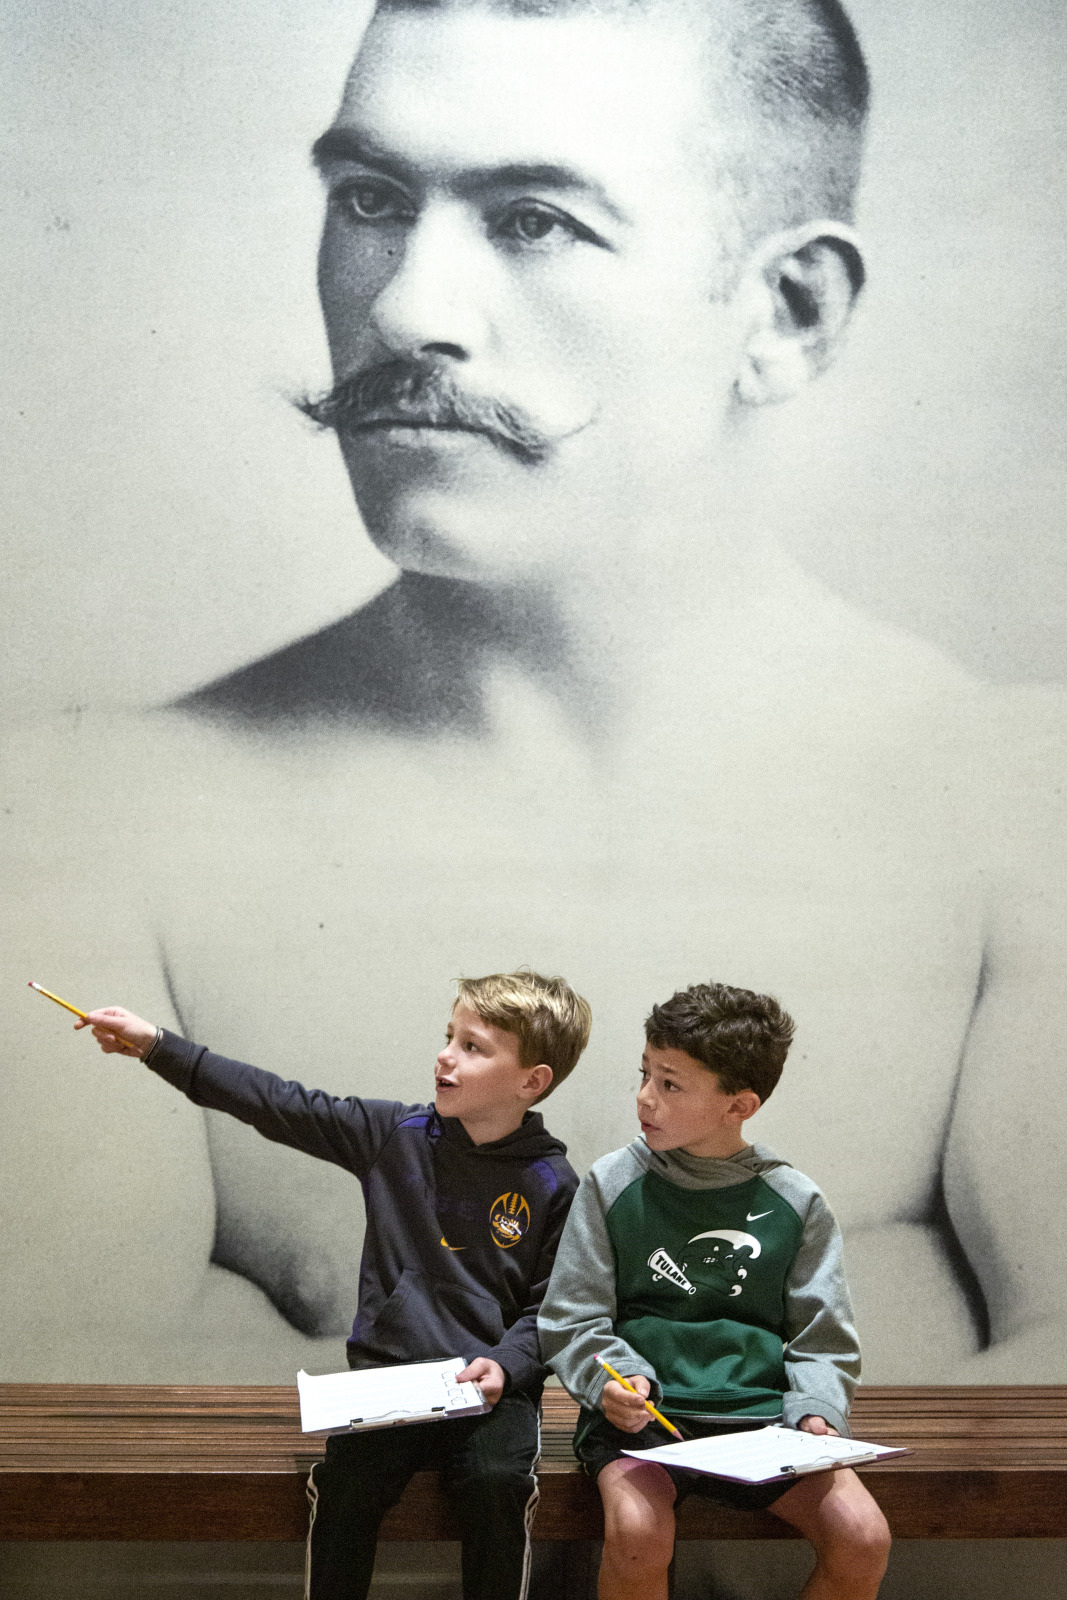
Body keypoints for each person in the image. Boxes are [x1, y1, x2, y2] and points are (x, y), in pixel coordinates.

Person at [3, 0, 1066, 1393]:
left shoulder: (1016, 810)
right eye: (371, 200)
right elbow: (79, 1465)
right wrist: (880, 1343)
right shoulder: (83, 814)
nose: (398, 310)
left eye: (530, 220)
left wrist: (311, 1361)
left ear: (784, 312)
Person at [75, 970, 590, 1600]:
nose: (445, 1055)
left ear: (532, 1081)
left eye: (473, 1047)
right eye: (448, 1036)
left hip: (492, 1391)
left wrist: (507, 1366)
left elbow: (553, 1310)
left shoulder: (554, 1182)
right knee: (348, 1488)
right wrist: (156, 1044)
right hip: (392, 1374)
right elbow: (275, 1101)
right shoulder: (394, 1136)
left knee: (496, 1485)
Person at [538, 982, 891, 1600]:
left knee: (863, 1537)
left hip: (760, 1421)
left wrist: (816, 1410)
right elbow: (572, 1318)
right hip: (646, 1420)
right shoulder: (611, 1182)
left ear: (740, 1105)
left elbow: (823, 1338)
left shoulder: (796, 1202)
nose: (645, 1097)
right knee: (639, 1531)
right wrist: (612, 1381)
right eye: (645, 1074)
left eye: (671, 1084)